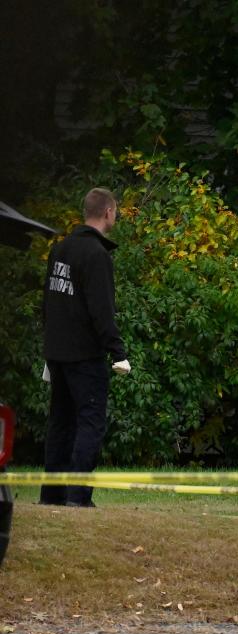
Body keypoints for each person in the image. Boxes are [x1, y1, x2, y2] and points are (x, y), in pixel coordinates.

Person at [39, 187, 131, 508]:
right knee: (90, 423)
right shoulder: (96, 256)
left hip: (57, 352)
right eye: (115, 211)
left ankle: (51, 496)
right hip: (84, 355)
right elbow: (101, 311)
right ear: (108, 212)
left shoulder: (60, 249)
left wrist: (50, 344)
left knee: (60, 423)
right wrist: (118, 352)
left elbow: (47, 303)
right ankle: (77, 497)